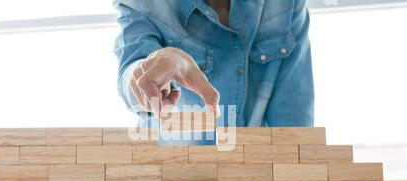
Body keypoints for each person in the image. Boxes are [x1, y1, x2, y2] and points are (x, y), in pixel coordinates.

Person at [114, 0, 314, 128]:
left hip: (257, 178)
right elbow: (131, 74)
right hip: (174, 177)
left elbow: (294, 125)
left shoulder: (285, 4)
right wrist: (149, 71)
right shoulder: (143, 3)